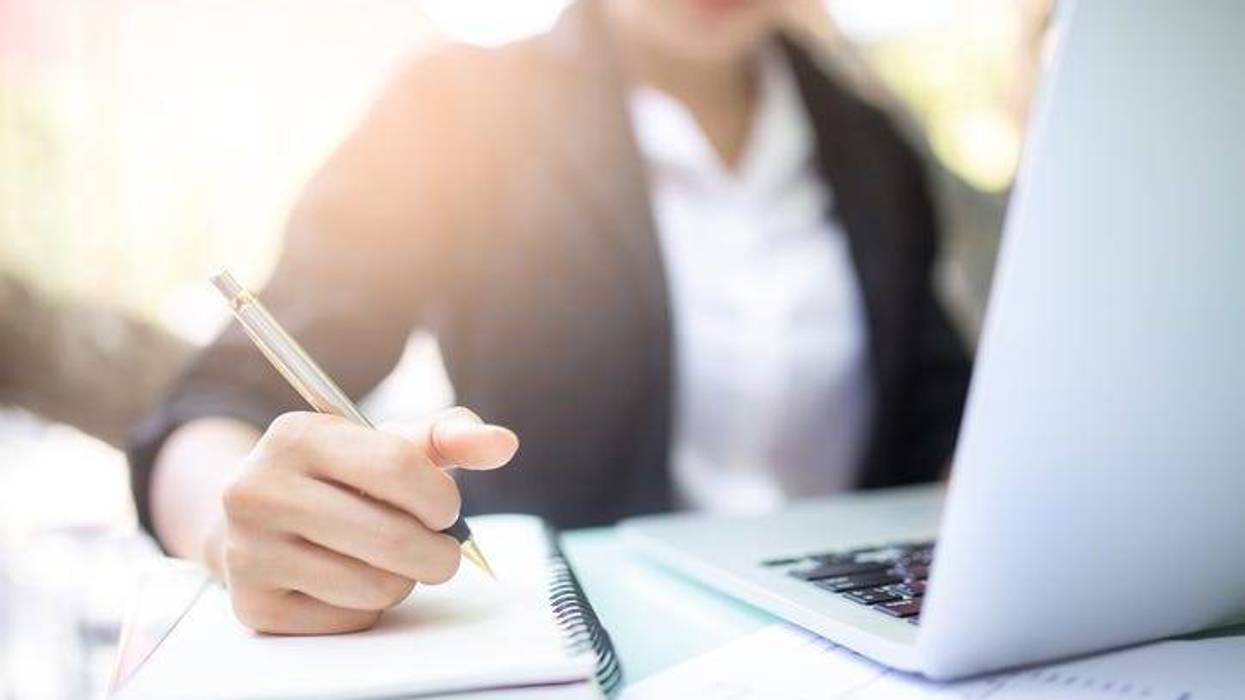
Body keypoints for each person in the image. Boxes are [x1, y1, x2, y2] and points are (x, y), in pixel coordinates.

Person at [128, 0, 971, 635]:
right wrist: (229, 528)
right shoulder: (456, 110)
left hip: (856, 640)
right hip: (570, 642)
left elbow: (945, 419)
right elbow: (218, 403)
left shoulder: (870, 141)